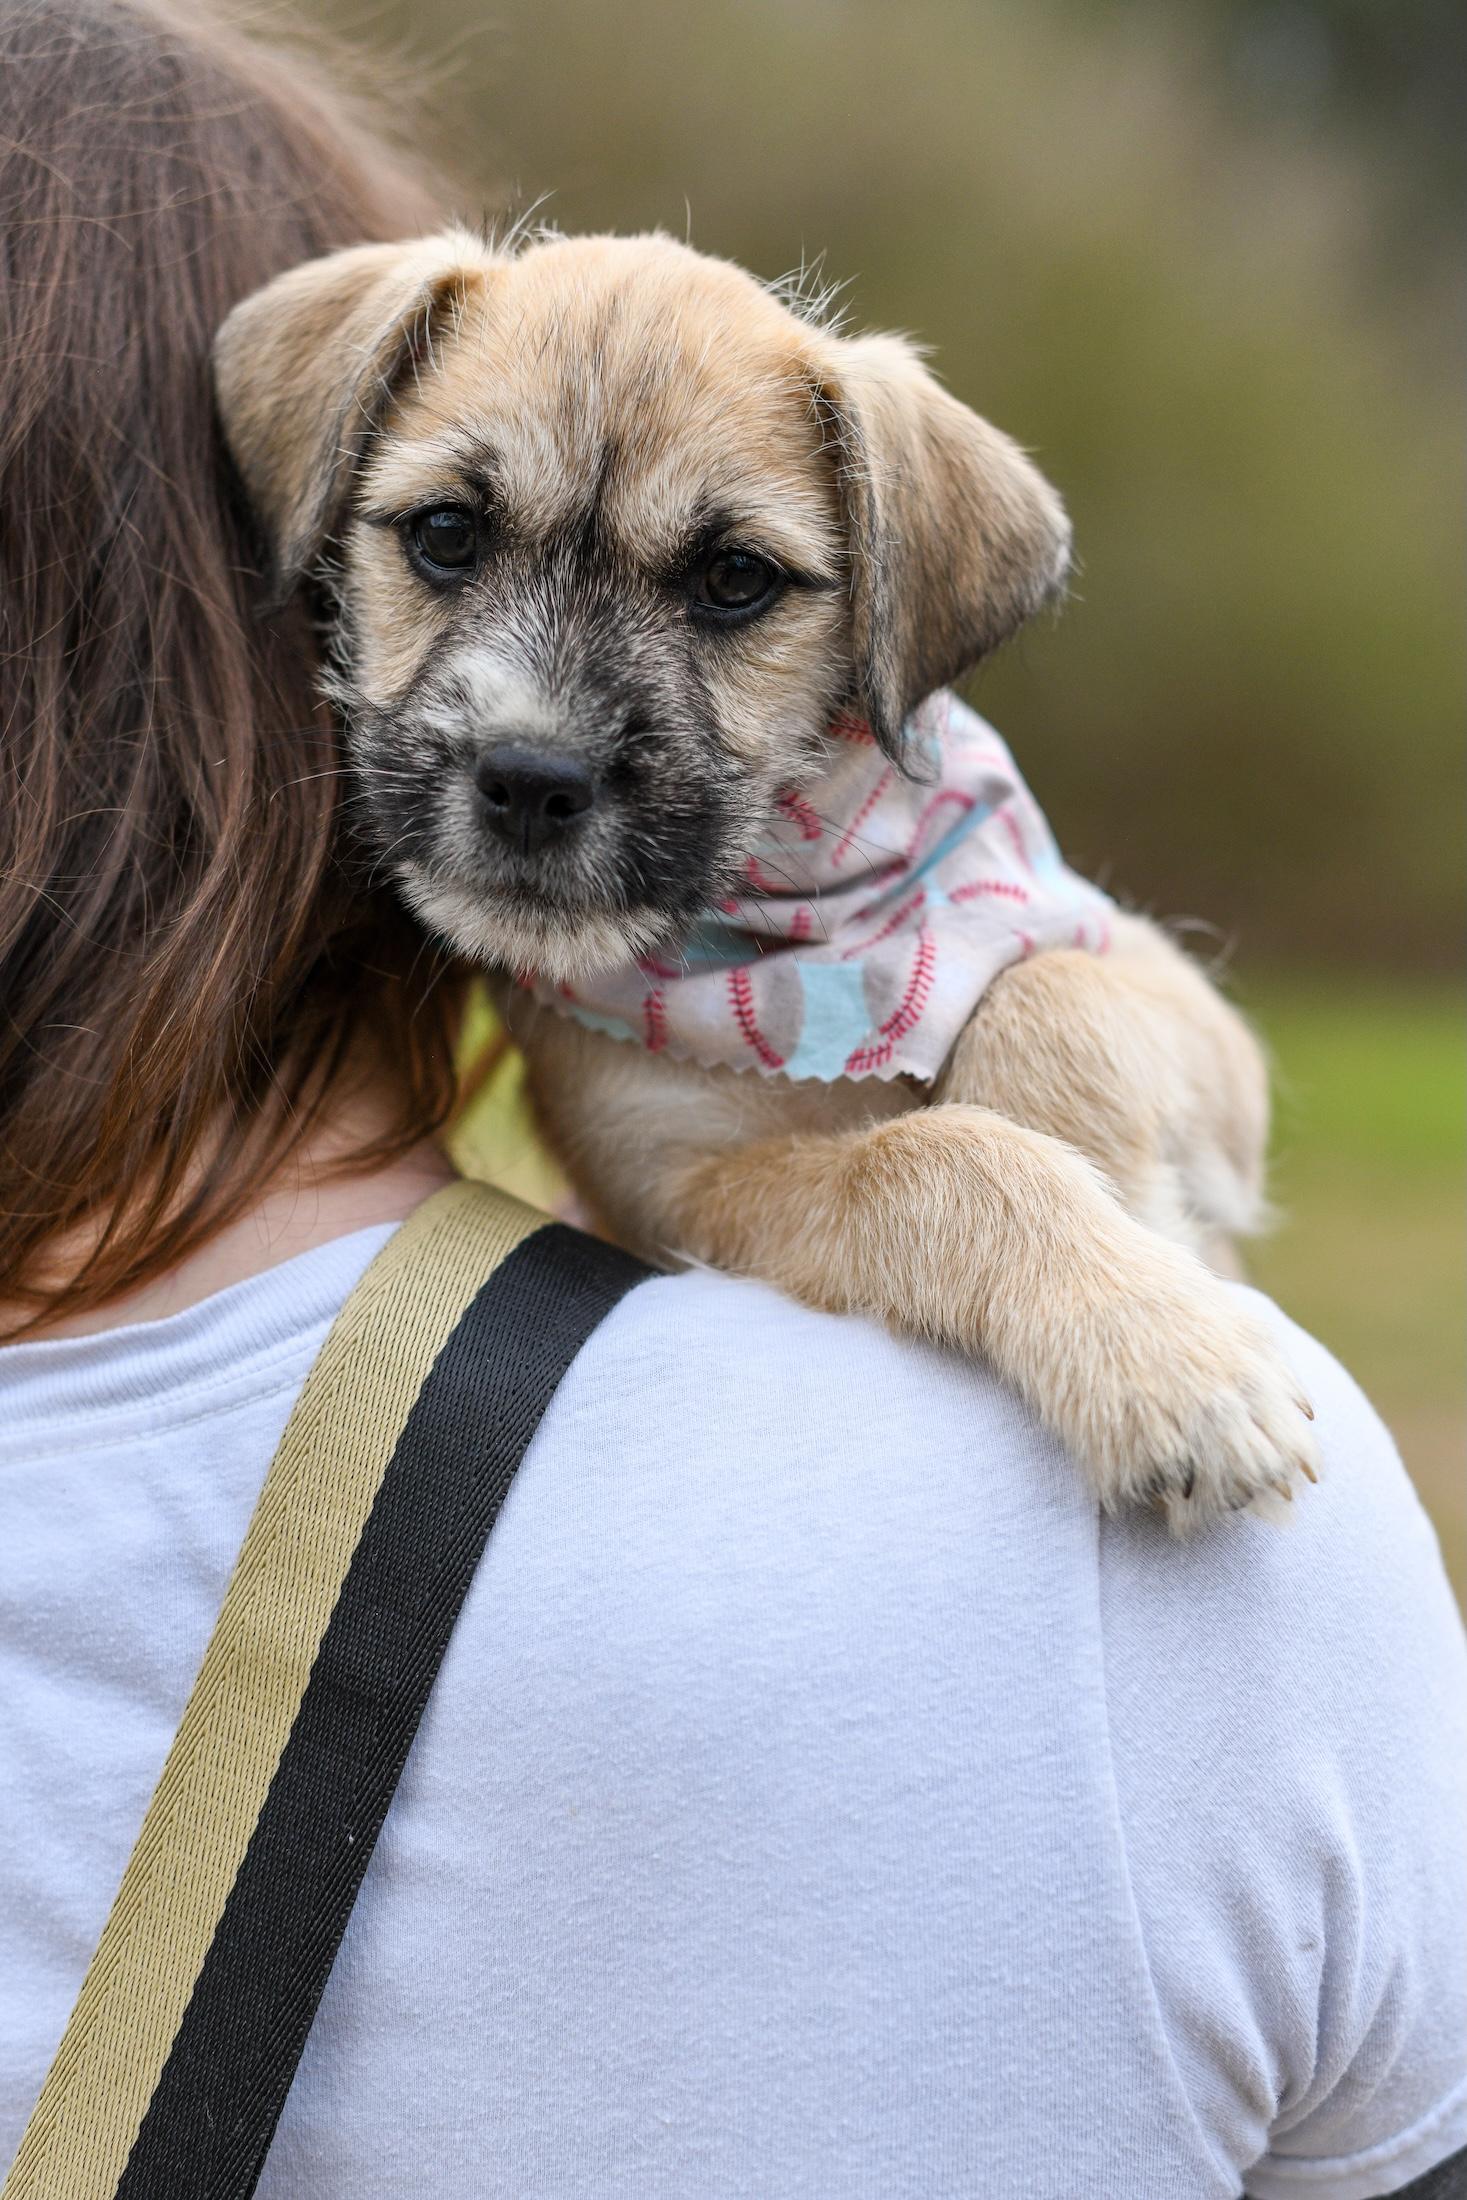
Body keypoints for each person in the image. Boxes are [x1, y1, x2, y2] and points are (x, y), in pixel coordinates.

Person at [0, 4, 1462, 2195]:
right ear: (291, 539)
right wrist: (999, 1203)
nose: (536, 719)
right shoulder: (1190, 1631)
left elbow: (1202, 1077)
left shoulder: (950, 867)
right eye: (441, 543)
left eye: (724, 588)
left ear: (888, 603)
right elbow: (712, 1197)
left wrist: (1045, 1059)